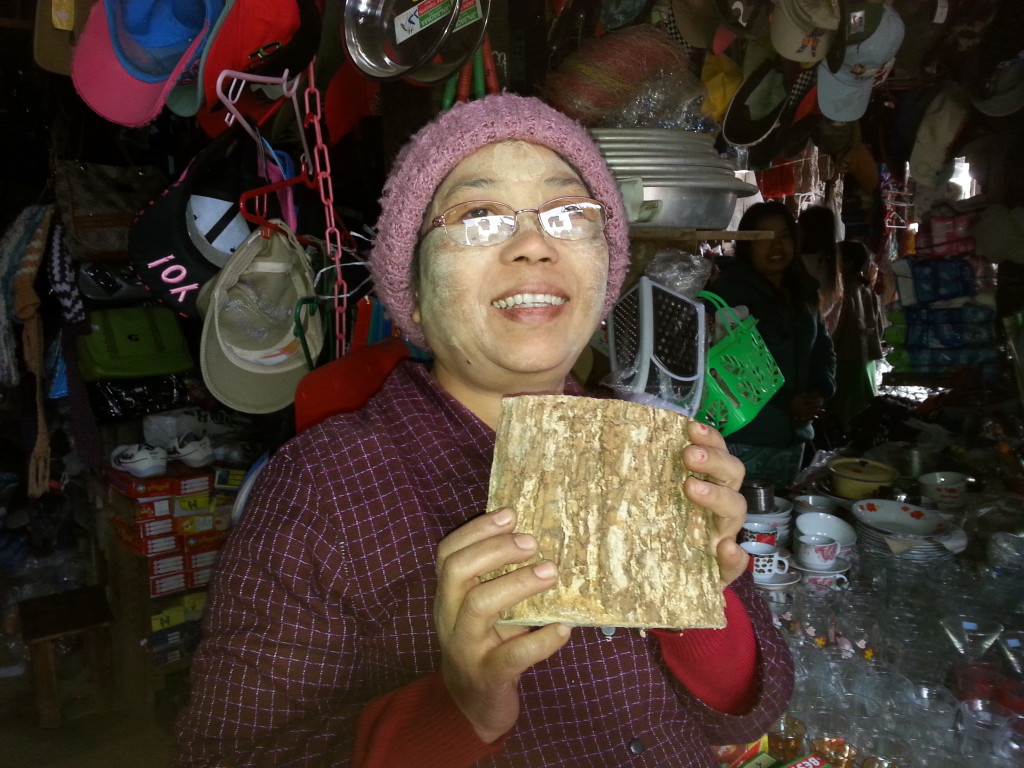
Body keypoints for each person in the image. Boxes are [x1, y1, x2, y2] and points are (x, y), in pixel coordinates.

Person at [171, 94, 793, 768]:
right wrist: (459, 706)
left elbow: (753, 707)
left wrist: (701, 596)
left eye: (567, 214)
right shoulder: (317, 493)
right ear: (413, 284)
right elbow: (226, 755)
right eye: (478, 216)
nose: (534, 244)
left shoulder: (653, 445)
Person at [711, 201, 837, 489]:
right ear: (747, 244)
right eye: (765, 238)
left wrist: (820, 390)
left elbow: (822, 348)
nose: (777, 246)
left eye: (785, 236)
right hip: (746, 434)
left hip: (795, 434)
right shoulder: (729, 293)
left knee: (779, 517)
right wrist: (786, 401)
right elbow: (730, 366)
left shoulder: (804, 292)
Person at [831, 240, 885, 436]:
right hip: (866, 359)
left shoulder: (844, 291)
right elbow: (879, 327)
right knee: (863, 407)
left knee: (846, 411)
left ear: (849, 263)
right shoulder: (866, 289)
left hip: (847, 359)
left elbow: (836, 329)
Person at [797, 204, 843, 336]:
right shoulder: (832, 270)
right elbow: (833, 321)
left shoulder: (796, 263)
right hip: (818, 337)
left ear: (805, 231)